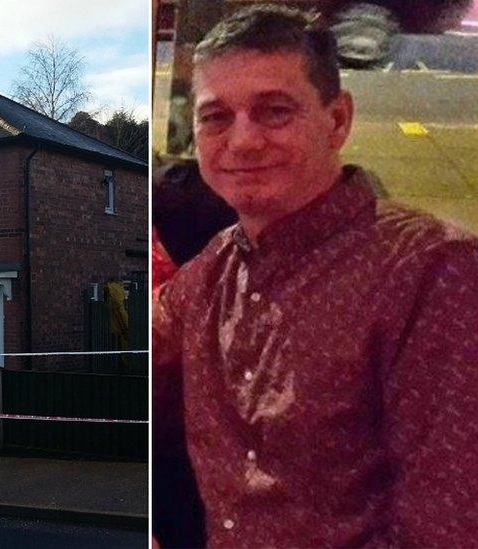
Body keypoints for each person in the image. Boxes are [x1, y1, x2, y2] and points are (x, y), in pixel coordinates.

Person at [153, 5, 478, 547]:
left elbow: (447, 523)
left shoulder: (431, 270)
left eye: (274, 111)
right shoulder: (214, 269)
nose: (243, 141)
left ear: (338, 120)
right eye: (216, 117)